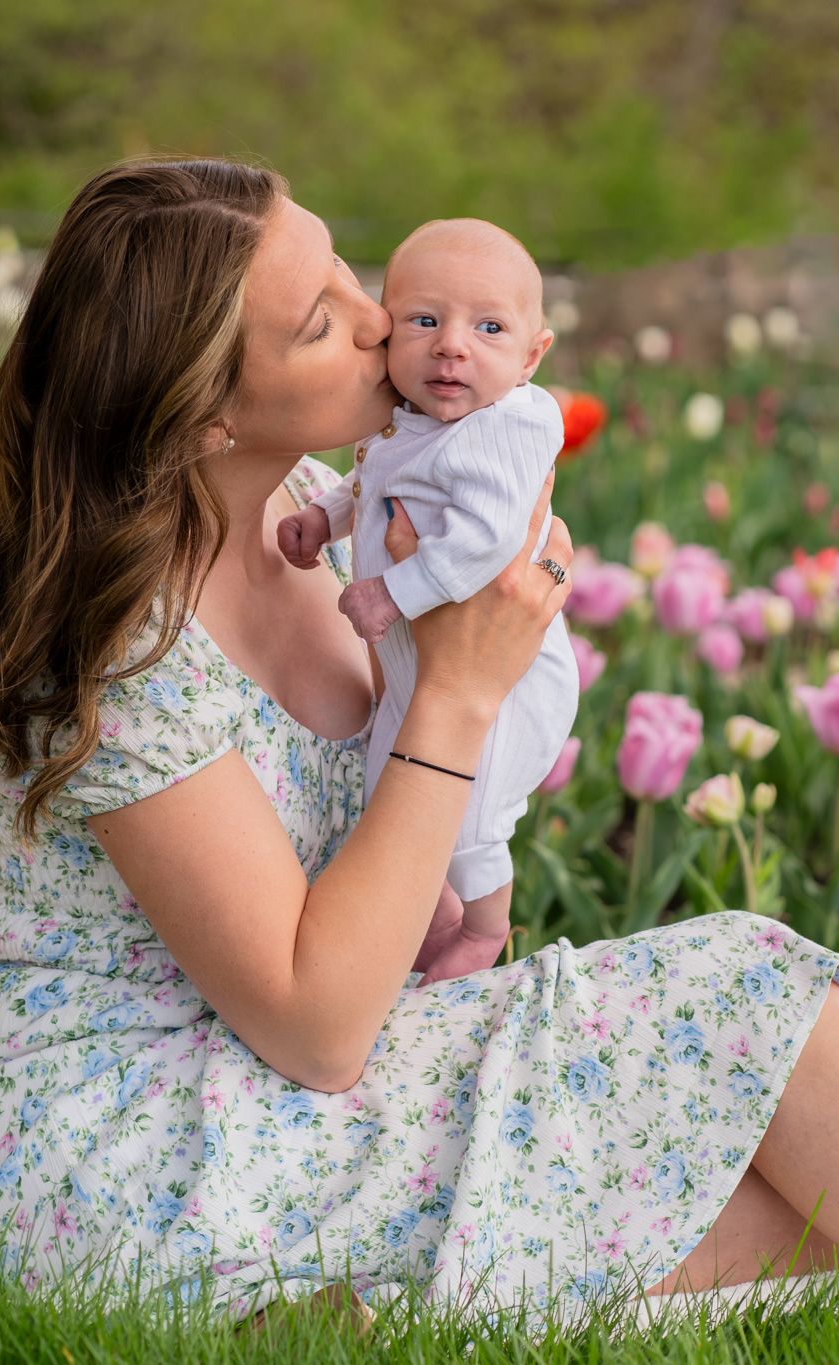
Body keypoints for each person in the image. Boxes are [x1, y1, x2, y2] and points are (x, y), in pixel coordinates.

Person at [0, 158, 839, 1328]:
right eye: (323, 324)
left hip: (306, 1077)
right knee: (803, 1106)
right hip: (146, 1157)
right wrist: (456, 695)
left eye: (349, 274)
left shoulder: (319, 504)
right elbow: (316, 1023)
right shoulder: (117, 651)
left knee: (813, 1120)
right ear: (205, 416)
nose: (386, 326)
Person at [277, 217, 579, 982]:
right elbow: (374, 483)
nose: (451, 344)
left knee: (470, 815)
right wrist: (326, 517)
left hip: (505, 677)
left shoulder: (500, 430)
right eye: (423, 320)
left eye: (488, 326)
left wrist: (391, 592)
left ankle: (485, 927)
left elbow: (484, 541)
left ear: (532, 354)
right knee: (392, 793)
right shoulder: (414, 423)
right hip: (420, 665)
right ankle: (424, 914)